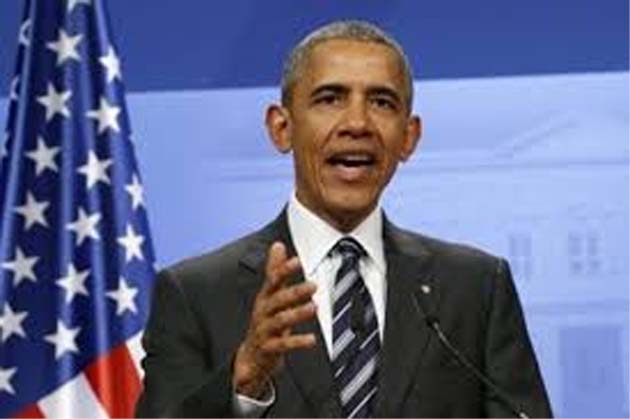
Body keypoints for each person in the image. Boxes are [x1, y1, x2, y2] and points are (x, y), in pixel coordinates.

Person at [135, 20, 552, 418]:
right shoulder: (195, 295)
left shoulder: (476, 288)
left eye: (381, 102)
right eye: (330, 98)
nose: (357, 124)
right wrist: (243, 385)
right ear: (281, 128)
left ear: (409, 137)